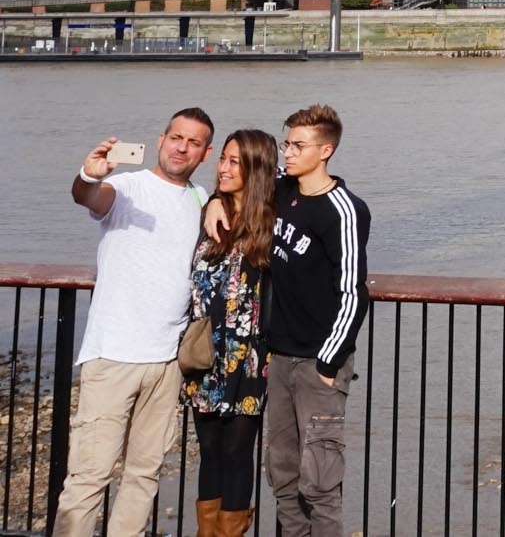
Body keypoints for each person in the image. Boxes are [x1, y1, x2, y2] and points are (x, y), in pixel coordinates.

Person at [54, 110, 215, 537]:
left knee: (144, 477)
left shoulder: (202, 199)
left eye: (194, 142)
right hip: (113, 357)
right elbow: (89, 198)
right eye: (176, 137)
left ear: (206, 152)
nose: (182, 147)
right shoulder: (126, 187)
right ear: (160, 140)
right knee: (89, 476)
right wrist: (88, 177)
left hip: (167, 364)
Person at [264, 103, 371, 537]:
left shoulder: (344, 210)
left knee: (321, 481)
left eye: (297, 145)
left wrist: (328, 364)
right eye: (287, 143)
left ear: (325, 150)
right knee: (283, 475)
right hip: (280, 358)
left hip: (317, 364)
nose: (287, 152)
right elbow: (239, 185)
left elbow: (352, 293)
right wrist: (216, 200)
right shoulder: (281, 193)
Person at [183, 129, 277, 537]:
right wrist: (215, 203)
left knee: (238, 453)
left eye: (234, 161)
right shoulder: (211, 215)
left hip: (250, 358)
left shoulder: (274, 222)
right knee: (209, 453)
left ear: (255, 168)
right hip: (205, 354)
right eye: (222, 158)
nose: (222, 167)